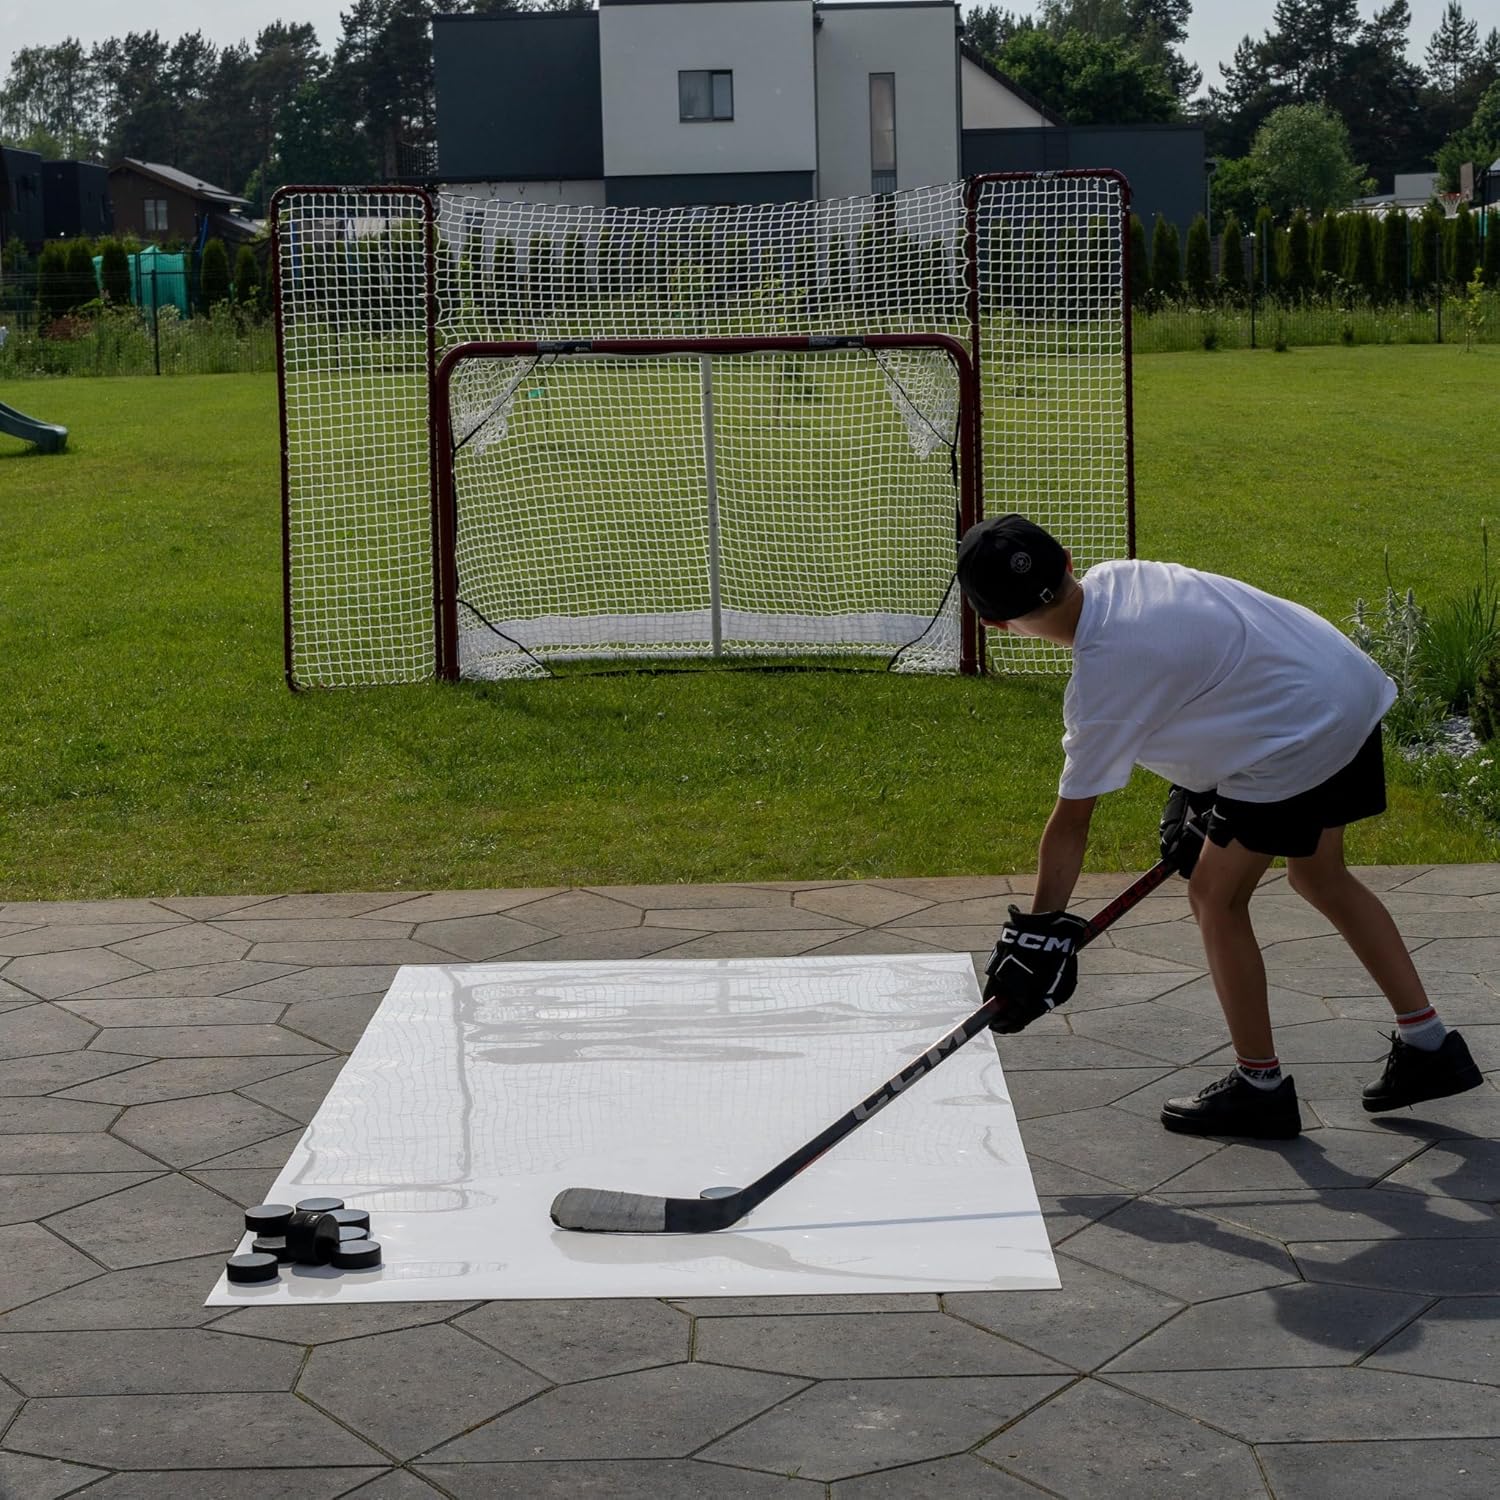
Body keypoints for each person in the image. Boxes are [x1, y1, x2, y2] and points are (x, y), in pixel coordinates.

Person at [957, 513, 1484, 1139]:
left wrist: (1041, 933)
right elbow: (1213, 666)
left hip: (1296, 736)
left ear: (994, 625)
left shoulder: (1100, 684)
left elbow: (1072, 825)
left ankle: (1259, 1087)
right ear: (1069, 561)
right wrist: (1196, 791)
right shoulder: (1126, 578)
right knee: (1320, 877)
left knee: (1215, 896)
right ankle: (1429, 1046)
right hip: (1343, 687)